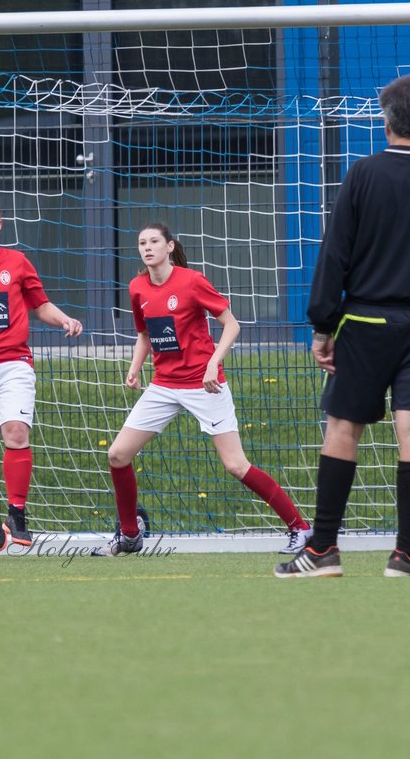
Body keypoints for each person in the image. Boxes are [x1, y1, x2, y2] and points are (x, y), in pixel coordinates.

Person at [96, 222, 311, 556]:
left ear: (170, 246)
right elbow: (145, 334)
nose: (147, 247)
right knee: (118, 454)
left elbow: (231, 324)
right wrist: (135, 367)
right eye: (142, 243)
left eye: (154, 241)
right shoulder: (137, 287)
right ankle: (129, 534)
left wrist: (214, 362)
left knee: (236, 465)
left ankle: (300, 528)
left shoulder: (192, 281)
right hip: (163, 386)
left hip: (204, 385)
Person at [276, 74, 410, 579]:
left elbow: (336, 255)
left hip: (368, 322)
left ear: (386, 120)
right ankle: (405, 555)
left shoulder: (362, 175)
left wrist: (322, 324)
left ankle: (323, 550)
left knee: (342, 429)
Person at [0, 194, 83, 550]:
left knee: (14, 432)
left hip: (14, 363)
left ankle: (19, 514)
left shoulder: (17, 262)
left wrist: (65, 319)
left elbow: (40, 305)